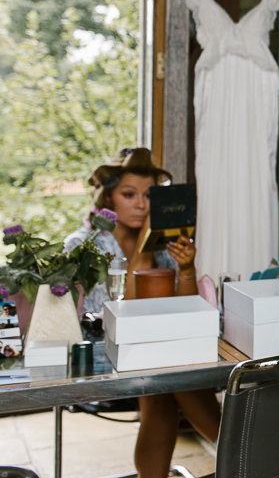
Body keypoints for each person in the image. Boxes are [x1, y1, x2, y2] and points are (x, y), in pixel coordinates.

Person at [64, 147, 221, 478]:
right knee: (170, 379)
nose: (141, 205)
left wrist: (187, 267)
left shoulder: (166, 246)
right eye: (128, 194)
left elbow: (184, 311)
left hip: (152, 352)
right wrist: (147, 245)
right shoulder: (83, 245)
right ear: (108, 198)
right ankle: (242, 448)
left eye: (150, 196)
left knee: (165, 383)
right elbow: (125, 313)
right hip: (99, 353)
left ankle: (236, 448)